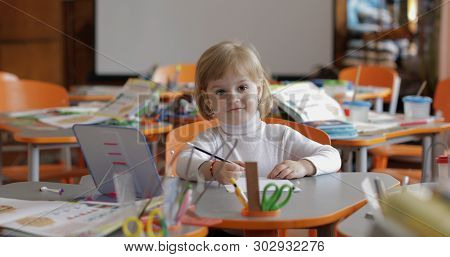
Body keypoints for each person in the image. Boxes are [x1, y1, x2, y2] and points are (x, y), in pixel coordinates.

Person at [176, 41, 341, 184]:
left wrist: (303, 166)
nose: (233, 97)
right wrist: (212, 169)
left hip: (279, 217)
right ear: (208, 101)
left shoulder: (280, 136)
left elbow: (332, 156)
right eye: (220, 91)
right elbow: (182, 164)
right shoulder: (210, 139)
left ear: (259, 90)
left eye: (242, 87)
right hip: (225, 218)